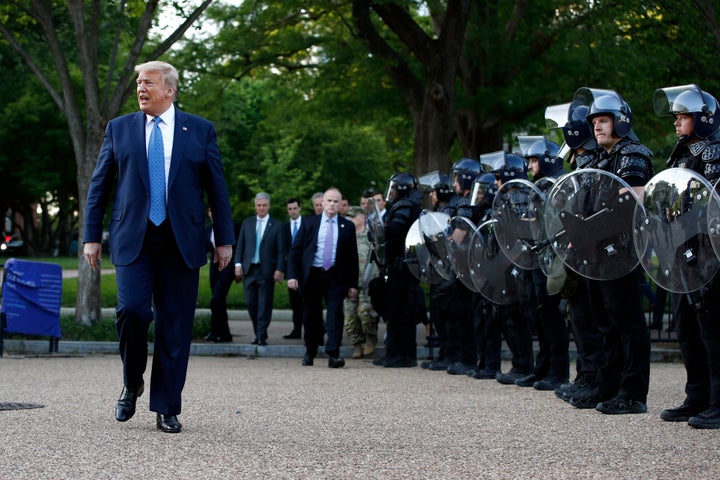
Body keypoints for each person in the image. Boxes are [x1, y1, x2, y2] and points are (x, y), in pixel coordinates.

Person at [83, 60, 235, 434]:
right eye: (138, 82)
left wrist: (225, 240)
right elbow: (100, 185)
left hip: (181, 241)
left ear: (169, 90)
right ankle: (132, 380)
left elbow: (217, 188)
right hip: (133, 238)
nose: (141, 88)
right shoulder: (119, 129)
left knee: (175, 326)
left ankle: (167, 406)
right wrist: (90, 236)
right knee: (132, 311)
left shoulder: (199, 130)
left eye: (148, 82)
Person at [567, 88, 652, 414]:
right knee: (604, 320)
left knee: (627, 321)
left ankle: (632, 393)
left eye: (604, 120)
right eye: (595, 122)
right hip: (596, 251)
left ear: (620, 122)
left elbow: (627, 203)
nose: (598, 127)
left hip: (622, 251)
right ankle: (609, 385)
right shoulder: (602, 159)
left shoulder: (633, 155)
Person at [654, 84, 720, 428]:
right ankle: (697, 396)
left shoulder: (716, 153)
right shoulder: (681, 153)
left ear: (703, 118)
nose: (677, 122)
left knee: (711, 325)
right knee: (685, 325)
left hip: (710, 250)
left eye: (683, 116)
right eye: (677, 116)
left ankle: (718, 401)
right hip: (683, 248)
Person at [515, 137, 570, 391]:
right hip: (540, 255)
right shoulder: (539, 187)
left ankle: (558, 372)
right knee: (542, 316)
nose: (530, 166)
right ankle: (542, 370)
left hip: (555, 256)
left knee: (553, 315)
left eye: (535, 160)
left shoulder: (558, 185)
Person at [287, 188, 359, 368]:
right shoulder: (309, 223)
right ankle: (310, 351)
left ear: (341, 205)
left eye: (336, 202)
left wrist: (352, 284)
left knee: (335, 314)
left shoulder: (347, 226)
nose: (332, 205)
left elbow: (352, 257)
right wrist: (292, 276)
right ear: (323, 203)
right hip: (312, 274)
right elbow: (296, 251)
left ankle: (333, 354)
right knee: (311, 316)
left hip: (336, 275)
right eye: (329, 201)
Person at [373, 172, 425, 368]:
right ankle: (402, 354)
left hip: (400, 267)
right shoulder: (412, 205)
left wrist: (378, 232)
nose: (391, 192)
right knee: (403, 311)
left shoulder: (404, 206)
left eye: (393, 188)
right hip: (406, 266)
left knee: (397, 311)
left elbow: (394, 230)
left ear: (401, 189)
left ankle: (397, 355)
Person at [234, 192, 285, 345]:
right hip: (249, 269)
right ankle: (259, 332)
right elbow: (240, 245)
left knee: (265, 303)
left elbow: (281, 250)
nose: (261, 208)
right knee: (251, 303)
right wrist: (238, 264)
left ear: (269, 206)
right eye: (259, 205)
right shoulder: (247, 223)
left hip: (266, 270)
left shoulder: (277, 225)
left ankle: (261, 336)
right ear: (255, 206)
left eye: (264, 205)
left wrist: (279, 269)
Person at [343, 206, 380, 358]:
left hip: (366, 283)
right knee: (350, 319)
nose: (350, 220)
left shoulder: (371, 236)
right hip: (349, 283)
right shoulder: (345, 235)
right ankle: (357, 345)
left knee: (366, 313)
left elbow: (378, 258)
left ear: (362, 218)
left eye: (353, 217)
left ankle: (371, 338)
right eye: (349, 217)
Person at [204, 209, 241, 343]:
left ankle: (222, 333)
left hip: (228, 267)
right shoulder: (208, 230)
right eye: (211, 211)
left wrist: (238, 266)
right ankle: (218, 332)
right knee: (219, 301)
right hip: (214, 268)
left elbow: (239, 247)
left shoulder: (232, 226)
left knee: (216, 299)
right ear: (209, 214)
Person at [281, 198, 305, 340]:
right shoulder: (284, 228)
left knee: (307, 300)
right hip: (291, 270)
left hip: (306, 269)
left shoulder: (307, 224)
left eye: (294, 208)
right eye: (290, 209)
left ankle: (314, 329)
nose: (292, 211)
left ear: (300, 208)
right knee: (295, 302)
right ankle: (296, 330)